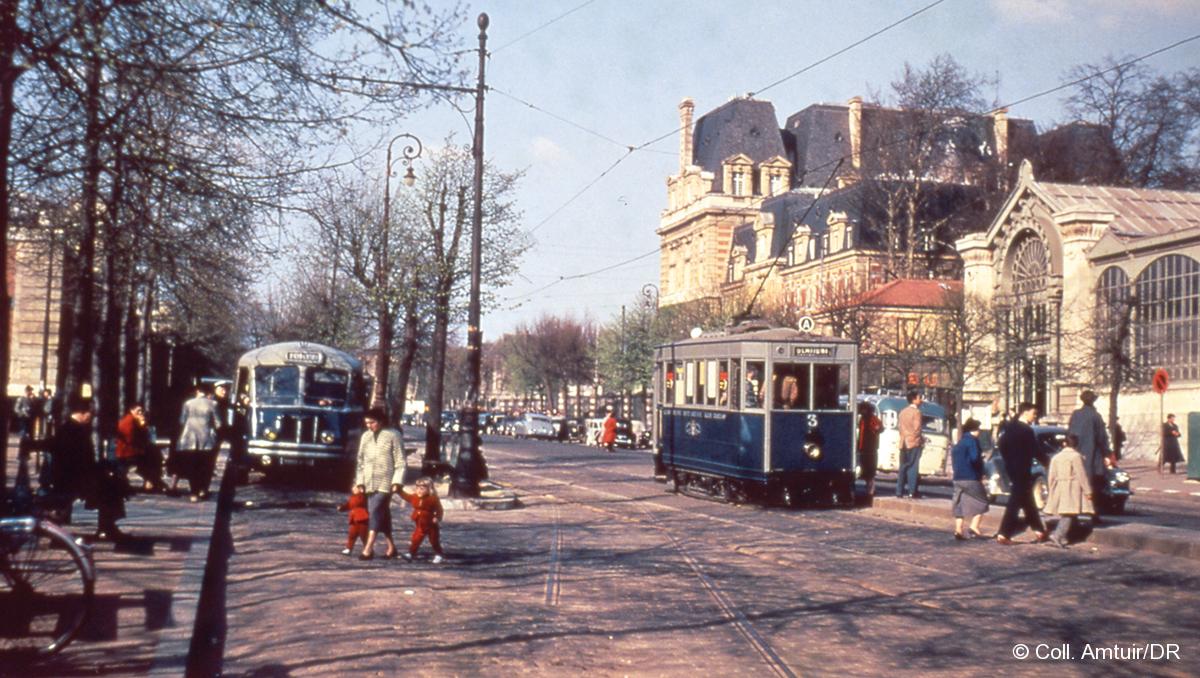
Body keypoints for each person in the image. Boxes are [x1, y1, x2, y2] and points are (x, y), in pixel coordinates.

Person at [47, 393, 128, 540]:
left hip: (77, 475)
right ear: (81, 413)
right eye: (90, 413)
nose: (92, 416)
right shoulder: (70, 431)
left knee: (113, 483)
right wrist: (98, 471)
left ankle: (108, 526)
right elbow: (76, 461)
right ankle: (106, 527)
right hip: (71, 479)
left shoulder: (75, 428)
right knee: (111, 486)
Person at [354, 407, 404, 560]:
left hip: (386, 482)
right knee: (383, 514)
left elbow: (400, 461)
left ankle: (368, 549)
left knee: (374, 511)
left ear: (381, 421)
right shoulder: (365, 437)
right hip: (369, 482)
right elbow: (360, 462)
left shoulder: (393, 435)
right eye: (367, 423)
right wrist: (359, 481)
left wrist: (397, 481)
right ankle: (391, 547)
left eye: (372, 422)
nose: (369, 426)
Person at [995, 402, 1048, 545]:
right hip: (1023, 468)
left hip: (1012, 468)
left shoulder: (1010, 427)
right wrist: (1047, 462)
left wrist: (1009, 461)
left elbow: (1001, 444)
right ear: (1025, 412)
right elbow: (1035, 450)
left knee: (1027, 498)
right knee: (1016, 501)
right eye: (1033, 413)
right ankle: (1004, 533)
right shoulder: (1026, 430)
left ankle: (1039, 530)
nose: (1034, 416)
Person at [173, 383, 221, 502]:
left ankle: (193, 493)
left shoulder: (188, 403)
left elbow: (181, 420)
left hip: (190, 438)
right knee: (205, 466)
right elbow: (218, 423)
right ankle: (203, 489)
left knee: (192, 466)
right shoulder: (213, 404)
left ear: (197, 391)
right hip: (206, 439)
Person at [1044, 433, 1093, 548]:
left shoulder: (1056, 457)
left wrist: (1052, 491)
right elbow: (1081, 475)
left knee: (1068, 512)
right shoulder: (1076, 457)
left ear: (1064, 444)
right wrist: (1088, 491)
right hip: (1072, 488)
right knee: (1069, 513)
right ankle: (1058, 535)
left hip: (1060, 487)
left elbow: (1051, 476)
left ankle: (1066, 536)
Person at [1067, 390, 1112, 515]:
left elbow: (1070, 433)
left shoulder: (1075, 414)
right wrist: (1107, 453)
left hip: (1077, 454)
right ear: (1093, 401)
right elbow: (1102, 437)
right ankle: (1092, 512)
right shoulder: (1095, 416)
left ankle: (1077, 510)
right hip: (1093, 456)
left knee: (1078, 483)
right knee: (1095, 485)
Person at [950, 418, 988, 540]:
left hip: (957, 478)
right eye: (978, 429)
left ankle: (958, 530)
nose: (980, 432)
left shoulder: (959, 442)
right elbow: (974, 458)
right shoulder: (972, 441)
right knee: (982, 502)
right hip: (971, 477)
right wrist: (981, 459)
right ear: (974, 430)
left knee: (959, 503)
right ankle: (974, 527)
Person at [396, 476, 445, 563]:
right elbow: (406, 496)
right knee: (416, 538)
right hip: (420, 522)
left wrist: (437, 517)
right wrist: (399, 490)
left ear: (429, 489)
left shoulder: (432, 498)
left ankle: (438, 554)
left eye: (422, 489)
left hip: (430, 523)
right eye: (417, 488)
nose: (419, 490)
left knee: (434, 540)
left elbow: (439, 509)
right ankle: (411, 553)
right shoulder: (415, 497)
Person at [896, 390, 926, 498]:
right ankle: (912, 491)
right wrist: (920, 439)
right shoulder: (917, 412)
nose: (921, 400)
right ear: (914, 399)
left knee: (903, 467)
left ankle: (899, 491)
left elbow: (900, 428)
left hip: (903, 442)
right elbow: (917, 429)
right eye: (919, 397)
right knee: (913, 467)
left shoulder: (903, 411)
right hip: (913, 442)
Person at [116, 402, 152, 491]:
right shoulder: (129, 421)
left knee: (151, 454)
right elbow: (131, 439)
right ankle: (149, 481)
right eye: (138, 410)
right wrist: (143, 425)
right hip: (127, 451)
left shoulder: (132, 420)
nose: (140, 413)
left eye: (141, 411)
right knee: (150, 458)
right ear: (131, 410)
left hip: (128, 450)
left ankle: (149, 481)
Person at [856, 402, 882, 497]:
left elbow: (880, 428)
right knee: (865, 469)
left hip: (869, 447)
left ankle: (870, 489)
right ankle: (869, 488)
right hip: (863, 447)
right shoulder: (861, 419)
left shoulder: (872, 419)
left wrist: (875, 429)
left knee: (870, 470)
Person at [338, 485, 371, 556]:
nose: (353, 488)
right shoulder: (352, 497)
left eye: (355, 487)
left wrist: (362, 492)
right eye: (352, 487)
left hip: (362, 519)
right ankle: (349, 548)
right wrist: (342, 508)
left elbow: (360, 502)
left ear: (360, 489)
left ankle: (368, 549)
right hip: (353, 520)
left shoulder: (363, 496)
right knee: (351, 535)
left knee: (364, 536)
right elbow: (349, 505)